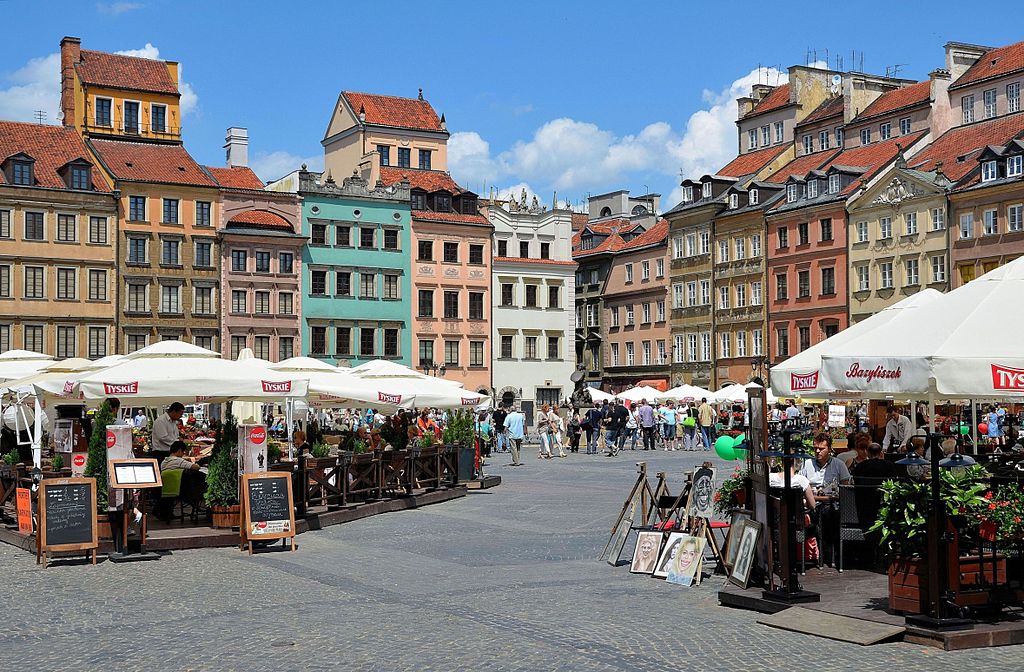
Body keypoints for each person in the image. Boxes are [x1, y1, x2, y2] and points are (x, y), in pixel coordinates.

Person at [799, 433, 851, 566]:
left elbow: (846, 490)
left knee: (829, 512)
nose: (817, 451)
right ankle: (826, 553)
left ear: (829, 449)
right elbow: (801, 488)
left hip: (833, 505)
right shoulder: (807, 464)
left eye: (821, 448)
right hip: (811, 505)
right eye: (815, 448)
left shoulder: (838, 465)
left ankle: (827, 552)